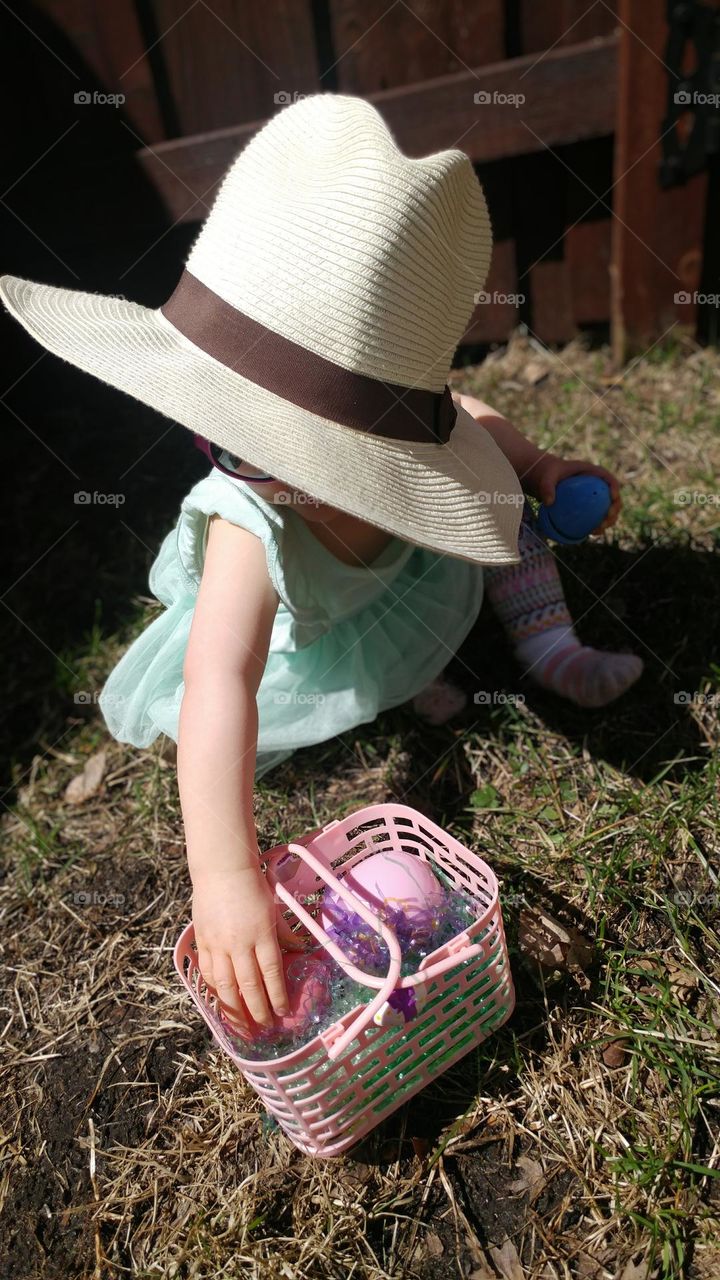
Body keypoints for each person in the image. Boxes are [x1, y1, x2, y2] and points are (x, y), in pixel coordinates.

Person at [0, 93, 641, 1038]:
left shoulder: (414, 427)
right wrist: (223, 878)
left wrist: (542, 469)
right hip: (318, 641)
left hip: (410, 589)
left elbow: (474, 422)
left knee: (510, 517)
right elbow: (223, 679)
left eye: (263, 439)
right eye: (227, 435)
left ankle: (551, 648)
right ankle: (401, 683)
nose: (234, 455)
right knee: (316, 695)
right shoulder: (249, 520)